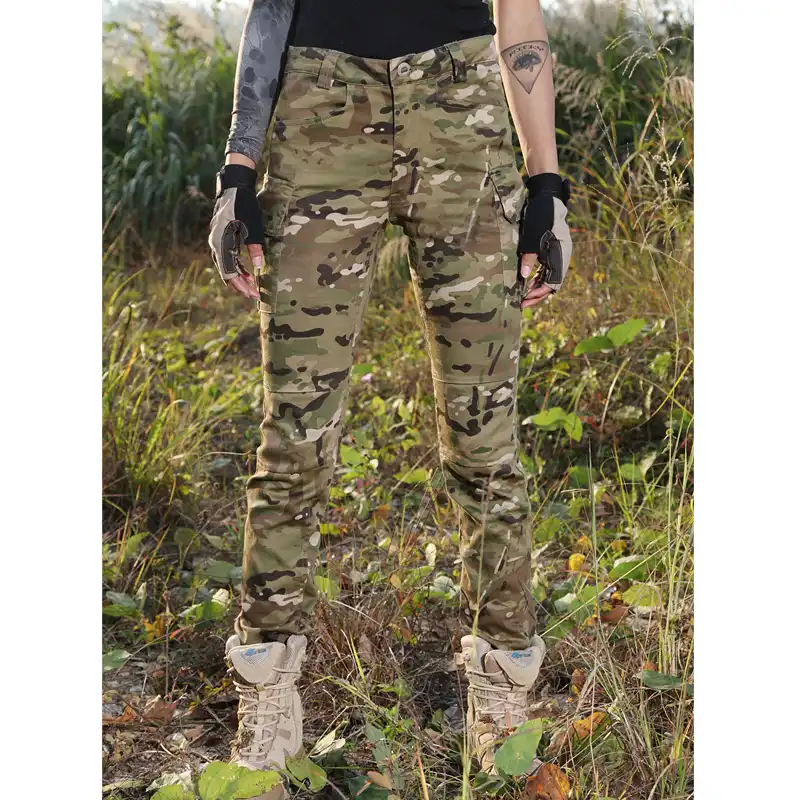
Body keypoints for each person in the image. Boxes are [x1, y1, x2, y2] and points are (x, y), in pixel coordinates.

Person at [208, 0, 573, 794]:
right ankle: (268, 704)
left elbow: (519, 18)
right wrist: (238, 169)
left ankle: (503, 699)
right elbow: (272, 8)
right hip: (321, 110)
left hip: (461, 111)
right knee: (295, 431)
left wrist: (546, 182)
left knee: (485, 434)